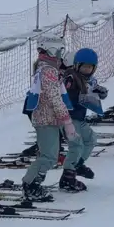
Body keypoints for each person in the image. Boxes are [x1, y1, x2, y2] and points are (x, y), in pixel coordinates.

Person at [20, 37, 77, 200]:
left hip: (49, 117)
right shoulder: (48, 71)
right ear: (52, 50)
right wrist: (67, 121)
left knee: (50, 155)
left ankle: (34, 183)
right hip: (46, 118)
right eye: (59, 51)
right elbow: (54, 98)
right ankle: (30, 184)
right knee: (48, 156)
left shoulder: (47, 68)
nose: (61, 55)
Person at [61, 47, 107, 191]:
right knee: (76, 145)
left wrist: (101, 93)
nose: (87, 70)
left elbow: (95, 90)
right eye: (85, 67)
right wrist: (82, 97)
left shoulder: (89, 80)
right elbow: (65, 96)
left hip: (79, 118)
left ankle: (78, 164)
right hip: (68, 118)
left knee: (91, 139)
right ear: (76, 65)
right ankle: (67, 177)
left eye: (90, 67)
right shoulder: (71, 78)